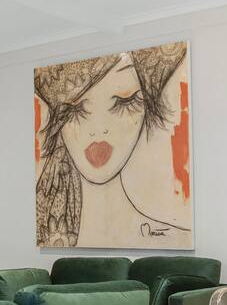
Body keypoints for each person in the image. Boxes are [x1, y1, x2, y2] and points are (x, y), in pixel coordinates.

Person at [35, 42, 190, 247]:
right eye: (75, 109)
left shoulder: (177, 239)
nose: (99, 129)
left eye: (124, 101)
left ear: (147, 106)